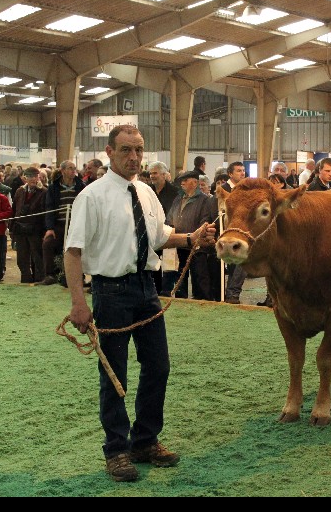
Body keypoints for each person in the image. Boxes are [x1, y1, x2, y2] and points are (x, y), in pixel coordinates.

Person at [64, 124, 216, 483]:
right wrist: (78, 303)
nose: (134, 157)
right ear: (109, 152)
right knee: (114, 374)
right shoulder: (91, 196)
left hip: (148, 289)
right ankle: (116, 450)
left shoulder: (146, 192)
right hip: (110, 292)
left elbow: (159, 236)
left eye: (139, 150)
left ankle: (145, 441)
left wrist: (191, 238)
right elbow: (73, 252)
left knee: (158, 366)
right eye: (126, 150)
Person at [165, 170, 218, 300]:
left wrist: (196, 237)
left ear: (195, 183)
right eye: (181, 181)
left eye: (185, 180)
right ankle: (181, 302)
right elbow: (170, 218)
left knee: (200, 280)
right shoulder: (178, 198)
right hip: (180, 245)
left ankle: (203, 304)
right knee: (180, 281)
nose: (182, 183)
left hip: (198, 248)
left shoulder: (205, 200)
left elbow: (205, 220)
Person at [40, 161, 86, 285]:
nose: (73, 171)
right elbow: (49, 207)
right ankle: (50, 275)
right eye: (70, 168)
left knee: (76, 249)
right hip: (58, 225)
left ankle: (79, 276)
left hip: (76, 225)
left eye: (74, 168)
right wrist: (50, 228)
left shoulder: (81, 186)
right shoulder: (53, 187)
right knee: (47, 244)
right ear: (63, 171)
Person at [148, 161, 181, 295]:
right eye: (150, 173)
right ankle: (154, 290)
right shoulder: (148, 190)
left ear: (164, 174)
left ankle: (167, 292)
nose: (152, 176)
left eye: (155, 173)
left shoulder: (175, 192)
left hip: (169, 232)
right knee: (153, 264)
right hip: (152, 233)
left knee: (169, 266)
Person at [10, 166, 47, 283]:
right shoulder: (19, 191)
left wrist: (45, 230)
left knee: (37, 256)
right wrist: (11, 228)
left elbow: (46, 213)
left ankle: (39, 279)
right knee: (22, 257)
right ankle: (25, 278)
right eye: (30, 176)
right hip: (20, 228)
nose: (33, 179)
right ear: (25, 178)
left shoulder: (44, 192)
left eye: (35, 176)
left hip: (36, 229)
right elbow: (14, 209)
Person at [219, 162, 247, 303]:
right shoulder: (223, 189)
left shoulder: (245, 190)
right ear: (230, 174)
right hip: (225, 231)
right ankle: (230, 294)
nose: (242, 173)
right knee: (232, 264)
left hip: (240, 232)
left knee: (241, 261)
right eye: (239, 171)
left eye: (243, 170)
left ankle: (232, 293)